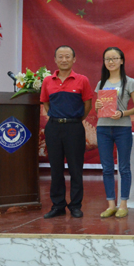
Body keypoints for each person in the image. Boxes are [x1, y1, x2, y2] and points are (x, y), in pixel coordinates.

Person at [41, 45, 93, 219]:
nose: (64, 60)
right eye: (60, 57)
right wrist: (57, 118)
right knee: (56, 169)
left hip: (74, 128)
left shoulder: (82, 80)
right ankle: (58, 205)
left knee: (75, 169)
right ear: (55, 60)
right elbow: (46, 103)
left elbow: (87, 105)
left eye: (67, 56)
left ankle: (76, 206)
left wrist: (74, 119)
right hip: (54, 128)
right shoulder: (48, 81)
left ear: (74, 59)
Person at [94, 47, 134, 218]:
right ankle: (111, 204)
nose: (111, 62)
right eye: (107, 59)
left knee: (124, 167)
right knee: (106, 168)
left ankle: (123, 204)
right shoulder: (101, 83)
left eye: (114, 58)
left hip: (122, 128)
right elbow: (99, 109)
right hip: (103, 128)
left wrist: (122, 113)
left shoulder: (130, 82)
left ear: (121, 61)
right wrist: (98, 106)